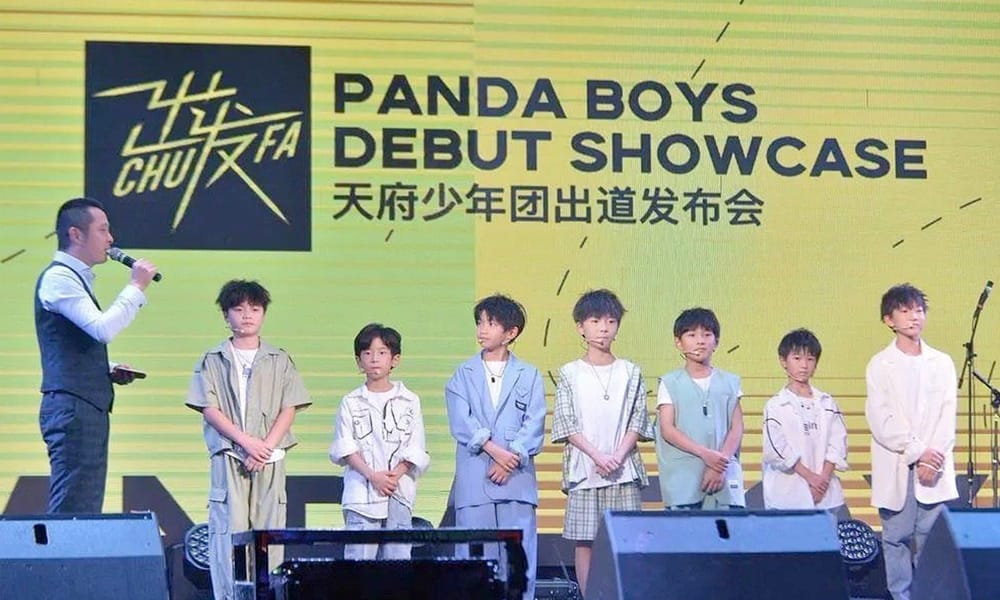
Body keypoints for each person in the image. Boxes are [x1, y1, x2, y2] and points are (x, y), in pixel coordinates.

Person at [185, 280, 311, 600]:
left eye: (254, 309)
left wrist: (264, 447)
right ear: (225, 315)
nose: (247, 315)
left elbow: (289, 407)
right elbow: (209, 408)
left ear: (264, 314)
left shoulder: (279, 359)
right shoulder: (212, 358)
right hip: (230, 456)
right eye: (238, 309)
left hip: (269, 458)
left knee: (269, 534)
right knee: (229, 532)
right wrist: (245, 442)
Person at [36, 196, 158, 513]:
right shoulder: (59, 278)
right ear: (76, 234)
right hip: (73, 407)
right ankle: (59, 549)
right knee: (73, 506)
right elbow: (102, 329)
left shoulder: (72, 278)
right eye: (103, 230)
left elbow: (70, 343)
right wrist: (136, 286)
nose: (111, 239)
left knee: (84, 504)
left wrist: (106, 367)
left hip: (84, 406)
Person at [551, 289, 653, 596]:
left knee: (626, 539)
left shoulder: (630, 371)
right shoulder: (570, 373)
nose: (603, 328)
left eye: (610, 321)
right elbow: (566, 423)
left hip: (623, 470)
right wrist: (597, 455)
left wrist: (617, 455)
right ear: (580, 327)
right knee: (586, 541)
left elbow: (638, 419)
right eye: (595, 321)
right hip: (585, 470)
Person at [445, 294, 546, 600]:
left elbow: (535, 423)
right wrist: (497, 452)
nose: (482, 329)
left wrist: (509, 460)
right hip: (475, 482)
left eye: (491, 323)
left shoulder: (529, 374)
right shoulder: (462, 374)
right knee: (474, 564)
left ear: (511, 332)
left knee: (519, 564)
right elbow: (461, 423)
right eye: (480, 322)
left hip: (516, 482)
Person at [865, 283, 957, 600]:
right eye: (905, 311)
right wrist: (919, 453)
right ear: (889, 320)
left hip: (935, 466)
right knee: (896, 538)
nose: (914, 317)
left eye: (919, 310)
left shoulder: (942, 362)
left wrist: (934, 458)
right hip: (899, 462)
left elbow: (947, 416)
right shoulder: (879, 364)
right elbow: (881, 420)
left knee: (933, 542)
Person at [330, 323, 430, 560]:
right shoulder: (350, 401)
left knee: (397, 562)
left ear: (395, 359)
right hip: (361, 494)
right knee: (359, 564)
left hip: (399, 492)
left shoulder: (410, 400)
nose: (374, 359)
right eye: (367, 353)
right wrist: (373, 476)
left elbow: (416, 447)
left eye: (382, 352)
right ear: (359, 361)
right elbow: (345, 446)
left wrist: (394, 476)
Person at [655, 307, 745, 510]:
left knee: (726, 528)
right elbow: (667, 429)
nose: (700, 341)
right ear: (678, 342)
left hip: (724, 478)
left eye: (707, 335)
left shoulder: (730, 382)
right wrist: (705, 454)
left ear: (716, 342)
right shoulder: (670, 382)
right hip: (683, 480)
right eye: (692, 335)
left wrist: (720, 465)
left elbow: (736, 428)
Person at [762, 328, 849, 520]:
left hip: (826, 496)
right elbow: (776, 449)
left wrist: (822, 480)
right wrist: (811, 478)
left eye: (810, 359)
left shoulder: (827, 403)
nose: (804, 365)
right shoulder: (776, 405)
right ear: (783, 361)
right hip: (787, 496)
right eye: (797, 358)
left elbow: (838, 443)